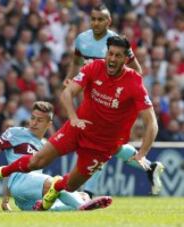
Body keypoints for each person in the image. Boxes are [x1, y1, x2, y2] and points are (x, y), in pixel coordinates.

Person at [0, 36, 158, 210]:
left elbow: (151, 122)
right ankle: (3, 171)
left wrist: (143, 153)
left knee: (70, 186)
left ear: (126, 59)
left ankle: (54, 190)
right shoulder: (94, 67)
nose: (112, 58)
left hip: (103, 145)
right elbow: (67, 93)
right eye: (110, 53)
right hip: (77, 128)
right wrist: (73, 117)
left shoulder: (134, 82)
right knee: (37, 161)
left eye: (118, 55)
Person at [66, 4, 163, 196]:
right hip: (91, 98)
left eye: (100, 19)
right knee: (113, 147)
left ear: (108, 21)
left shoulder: (117, 44)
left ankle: (88, 192)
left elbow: (137, 71)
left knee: (98, 144)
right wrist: (70, 78)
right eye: (93, 19)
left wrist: (119, 90)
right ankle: (150, 167)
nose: (96, 23)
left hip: (110, 100)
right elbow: (76, 62)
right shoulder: (81, 39)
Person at [0, 101, 112, 211]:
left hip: (26, 199)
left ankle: (82, 200)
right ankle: (82, 205)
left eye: (39, 120)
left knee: (65, 206)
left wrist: (6, 200)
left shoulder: (46, 145)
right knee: (57, 184)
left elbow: (11, 168)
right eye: (32, 118)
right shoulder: (15, 133)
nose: (33, 123)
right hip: (21, 182)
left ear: (49, 123)